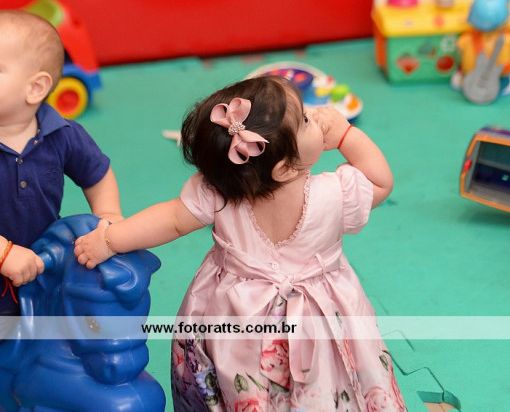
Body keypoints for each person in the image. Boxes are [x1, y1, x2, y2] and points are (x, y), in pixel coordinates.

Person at [74, 76, 406, 411]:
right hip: (318, 315)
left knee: (241, 385)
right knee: (332, 378)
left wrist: (110, 240)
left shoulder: (218, 191)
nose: (317, 117)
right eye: (305, 119)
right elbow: (380, 181)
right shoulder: (335, 194)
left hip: (236, 317)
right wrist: (346, 134)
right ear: (285, 168)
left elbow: (172, 219)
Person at [0, 10, 122, 399]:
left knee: (46, 351)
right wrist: (3, 254)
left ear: (35, 88)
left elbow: (97, 175)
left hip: (41, 274)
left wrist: (108, 217)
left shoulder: (62, 133)